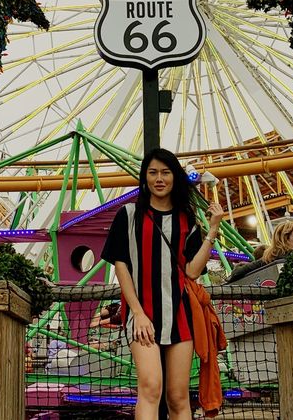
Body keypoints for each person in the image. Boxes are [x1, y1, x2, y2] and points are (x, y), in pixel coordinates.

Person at [102, 147, 223, 420]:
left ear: (174, 177)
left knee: (179, 396)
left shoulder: (186, 219)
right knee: (150, 388)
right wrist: (137, 312)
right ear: (144, 177)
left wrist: (213, 230)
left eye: (166, 172)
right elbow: (120, 264)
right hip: (141, 313)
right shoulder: (129, 215)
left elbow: (192, 271)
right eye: (153, 172)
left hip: (179, 314)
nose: (159, 178)